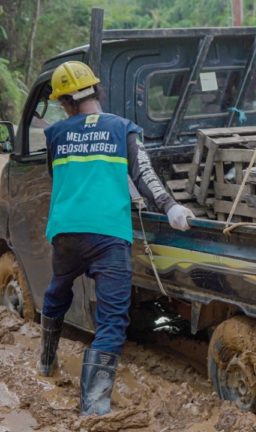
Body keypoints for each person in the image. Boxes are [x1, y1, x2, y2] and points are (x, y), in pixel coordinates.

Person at [39, 61, 195, 416]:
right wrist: (170, 207)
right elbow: (144, 175)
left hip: (65, 232)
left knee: (57, 290)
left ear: (65, 102)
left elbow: (57, 177)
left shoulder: (56, 134)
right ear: (96, 90)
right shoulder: (122, 128)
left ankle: (46, 362)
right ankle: (93, 408)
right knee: (111, 321)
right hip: (109, 234)